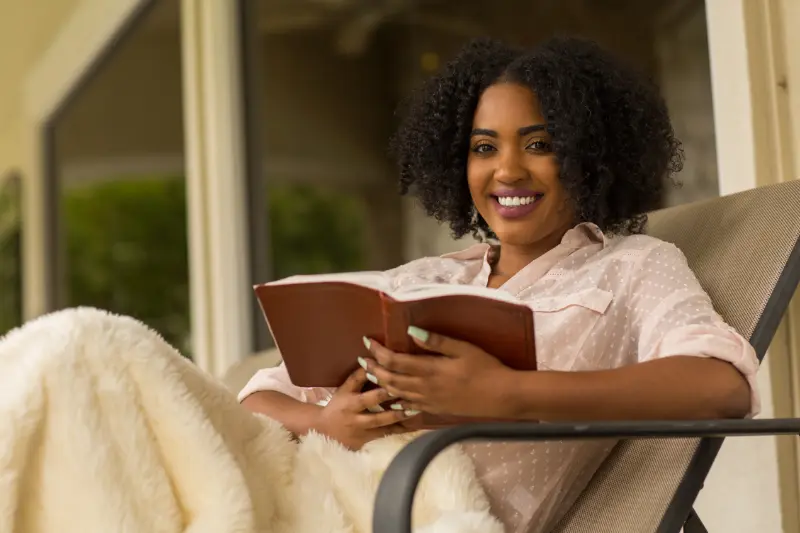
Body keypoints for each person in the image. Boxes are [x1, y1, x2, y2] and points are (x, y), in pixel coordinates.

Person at [239, 37, 759, 532]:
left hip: (431, 514)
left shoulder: (633, 266)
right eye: (484, 148)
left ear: (588, 156)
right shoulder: (421, 279)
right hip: (323, 497)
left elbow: (720, 387)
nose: (507, 170)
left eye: (539, 144)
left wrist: (506, 392)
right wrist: (327, 423)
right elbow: (254, 404)